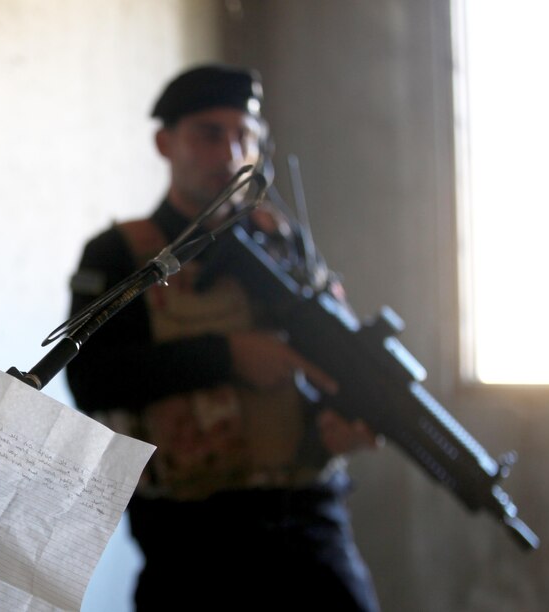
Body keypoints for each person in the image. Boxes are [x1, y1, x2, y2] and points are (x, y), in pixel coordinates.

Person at [65, 64, 383, 611]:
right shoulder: (120, 254)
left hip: (307, 521)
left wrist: (342, 421)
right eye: (210, 133)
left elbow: (336, 363)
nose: (231, 152)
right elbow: (93, 378)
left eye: (245, 136)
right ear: (165, 142)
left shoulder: (287, 246)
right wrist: (228, 356)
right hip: (193, 539)